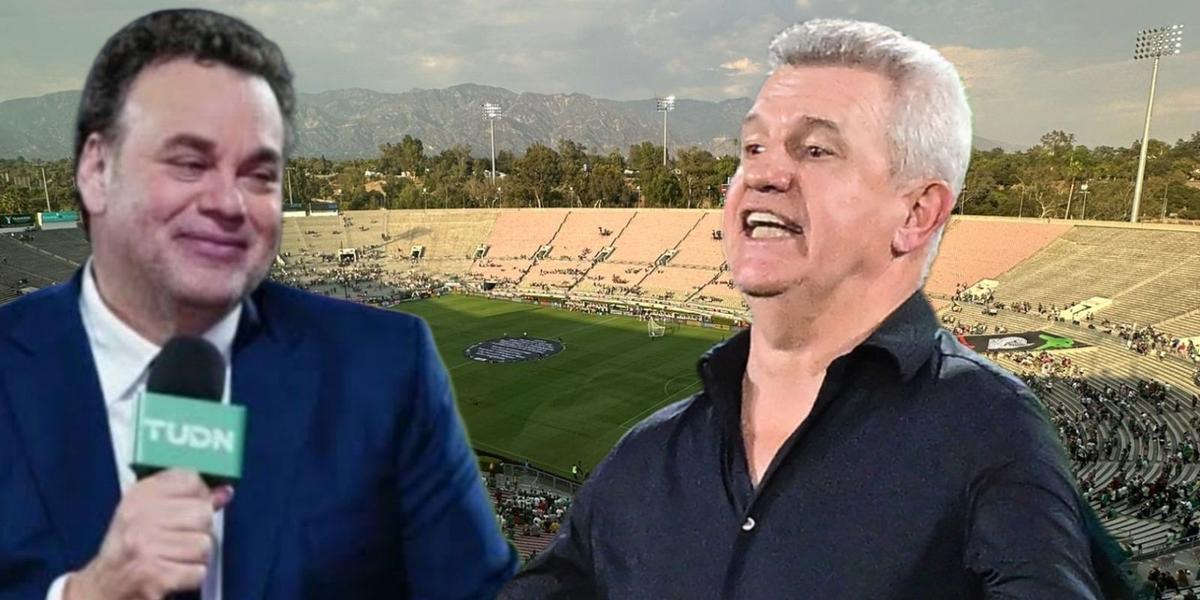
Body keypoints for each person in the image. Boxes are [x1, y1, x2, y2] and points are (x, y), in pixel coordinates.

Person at [503, 18, 1132, 599]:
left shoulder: (988, 432)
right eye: (751, 148)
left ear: (917, 213)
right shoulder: (651, 450)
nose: (763, 174)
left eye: (815, 150)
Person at [0, 9, 515, 600]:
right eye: (189, 162)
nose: (227, 202)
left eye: (259, 174)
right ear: (96, 170)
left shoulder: (388, 368)